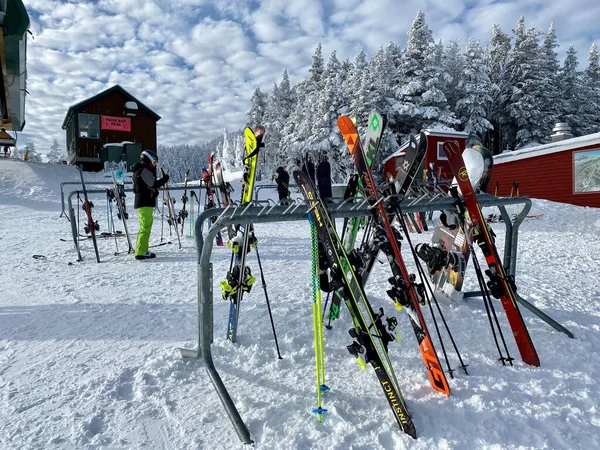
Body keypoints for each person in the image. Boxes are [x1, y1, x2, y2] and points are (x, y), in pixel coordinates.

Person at [132, 150, 169, 260]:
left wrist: (152, 191)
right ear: (148, 160)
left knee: (144, 227)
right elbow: (154, 183)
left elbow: (138, 188)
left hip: (141, 203)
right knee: (145, 228)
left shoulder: (137, 171)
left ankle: (141, 249)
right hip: (145, 203)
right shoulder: (143, 170)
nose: (153, 166)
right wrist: (165, 178)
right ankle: (141, 251)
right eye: (153, 163)